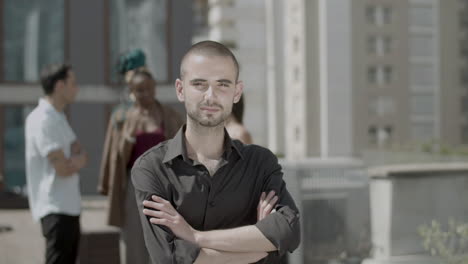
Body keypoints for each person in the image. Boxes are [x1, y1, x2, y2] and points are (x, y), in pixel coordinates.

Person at [132, 40, 300, 263]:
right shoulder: (152, 168)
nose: (210, 96)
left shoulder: (261, 163)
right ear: (181, 90)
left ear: (237, 92)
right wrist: (257, 246)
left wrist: (195, 236)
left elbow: (287, 231)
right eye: (200, 84)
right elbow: (169, 258)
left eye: (222, 84)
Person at [98, 59, 183, 263]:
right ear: (132, 92)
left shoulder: (170, 116)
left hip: (164, 186)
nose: (145, 94)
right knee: (135, 240)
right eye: (139, 90)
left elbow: (185, 150)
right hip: (134, 187)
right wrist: (127, 140)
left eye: (148, 89)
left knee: (165, 238)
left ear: (155, 89)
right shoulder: (122, 118)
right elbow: (112, 155)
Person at [25, 63, 87, 264]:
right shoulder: (42, 119)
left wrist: (75, 160)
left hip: (69, 208)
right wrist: (76, 160)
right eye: (73, 83)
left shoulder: (58, 117)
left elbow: (79, 152)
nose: (76, 88)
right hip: (54, 209)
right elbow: (63, 169)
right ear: (59, 85)